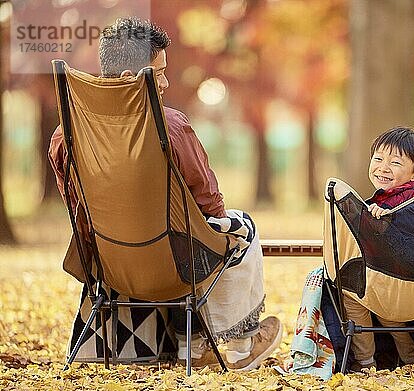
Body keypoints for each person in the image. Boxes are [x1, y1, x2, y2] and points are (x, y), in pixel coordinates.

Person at [48, 17, 282, 371]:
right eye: (158, 73)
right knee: (241, 227)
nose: (166, 82)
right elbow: (210, 204)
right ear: (131, 79)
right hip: (174, 268)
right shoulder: (170, 126)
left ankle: (160, 341)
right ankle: (230, 343)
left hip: (111, 265)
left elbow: (76, 206)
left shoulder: (65, 135)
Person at [345, 126, 414, 371]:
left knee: (349, 292)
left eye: (395, 162)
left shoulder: (411, 206)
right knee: (381, 305)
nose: (383, 167)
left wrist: (384, 227)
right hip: (399, 290)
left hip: (405, 289)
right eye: (378, 158)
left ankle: (365, 361)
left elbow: (413, 257)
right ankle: (410, 358)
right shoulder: (388, 201)